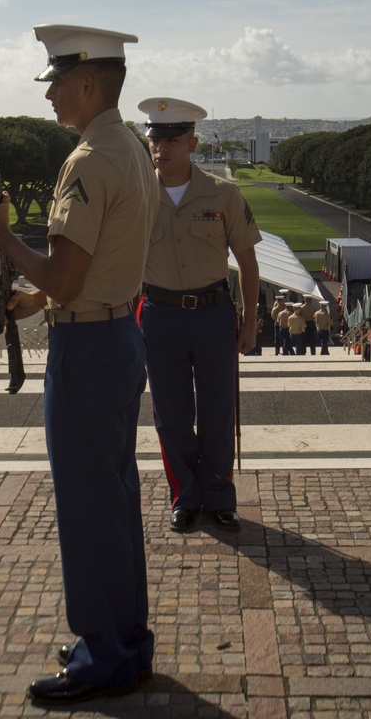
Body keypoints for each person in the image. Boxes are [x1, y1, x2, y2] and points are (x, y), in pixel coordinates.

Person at [0, 24, 158, 704]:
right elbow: (84, 273)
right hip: (114, 336)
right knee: (113, 500)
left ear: (86, 83)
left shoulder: (85, 160)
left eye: (55, 82)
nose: (49, 94)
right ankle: (125, 640)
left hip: (88, 347)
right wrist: (34, 301)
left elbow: (67, 275)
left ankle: (102, 654)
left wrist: (1, 235)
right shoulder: (130, 147)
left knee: (88, 507)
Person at [134, 97, 261, 534]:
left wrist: (249, 322)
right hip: (158, 314)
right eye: (155, 138)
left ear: (192, 143)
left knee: (217, 411)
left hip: (212, 314)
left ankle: (220, 494)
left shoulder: (223, 193)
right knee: (169, 414)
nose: (161, 148)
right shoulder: (136, 195)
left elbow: (248, 262)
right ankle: (185, 496)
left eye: (171, 140)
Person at [270, 289, 288, 355]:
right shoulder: (284, 303)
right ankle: (281, 350)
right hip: (282, 322)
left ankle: (277, 350)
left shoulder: (277, 303)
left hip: (277, 322)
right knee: (283, 337)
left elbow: (272, 315)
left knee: (278, 337)